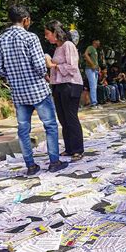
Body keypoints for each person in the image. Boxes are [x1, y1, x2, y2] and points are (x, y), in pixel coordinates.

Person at [0, 6, 68, 174]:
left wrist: (14, 75)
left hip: (19, 93)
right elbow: (38, 65)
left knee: (23, 130)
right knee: (50, 126)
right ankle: (54, 162)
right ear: (25, 20)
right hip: (37, 90)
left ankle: (30, 165)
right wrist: (44, 74)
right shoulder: (31, 37)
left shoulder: (0, 40)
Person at [44, 20, 84, 161]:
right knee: (62, 117)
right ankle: (69, 148)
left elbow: (72, 67)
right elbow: (56, 69)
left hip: (71, 84)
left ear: (55, 33)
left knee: (70, 116)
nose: (46, 37)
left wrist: (53, 65)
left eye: (48, 33)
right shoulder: (57, 48)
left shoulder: (68, 45)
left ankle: (78, 149)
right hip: (58, 85)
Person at [84, 39, 101, 109]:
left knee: (95, 87)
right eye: (98, 41)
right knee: (93, 86)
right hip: (90, 69)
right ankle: (94, 103)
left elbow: (95, 60)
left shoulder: (95, 50)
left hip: (95, 70)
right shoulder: (90, 47)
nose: (99, 42)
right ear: (94, 41)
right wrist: (92, 65)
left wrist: (98, 67)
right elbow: (85, 54)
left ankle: (95, 102)